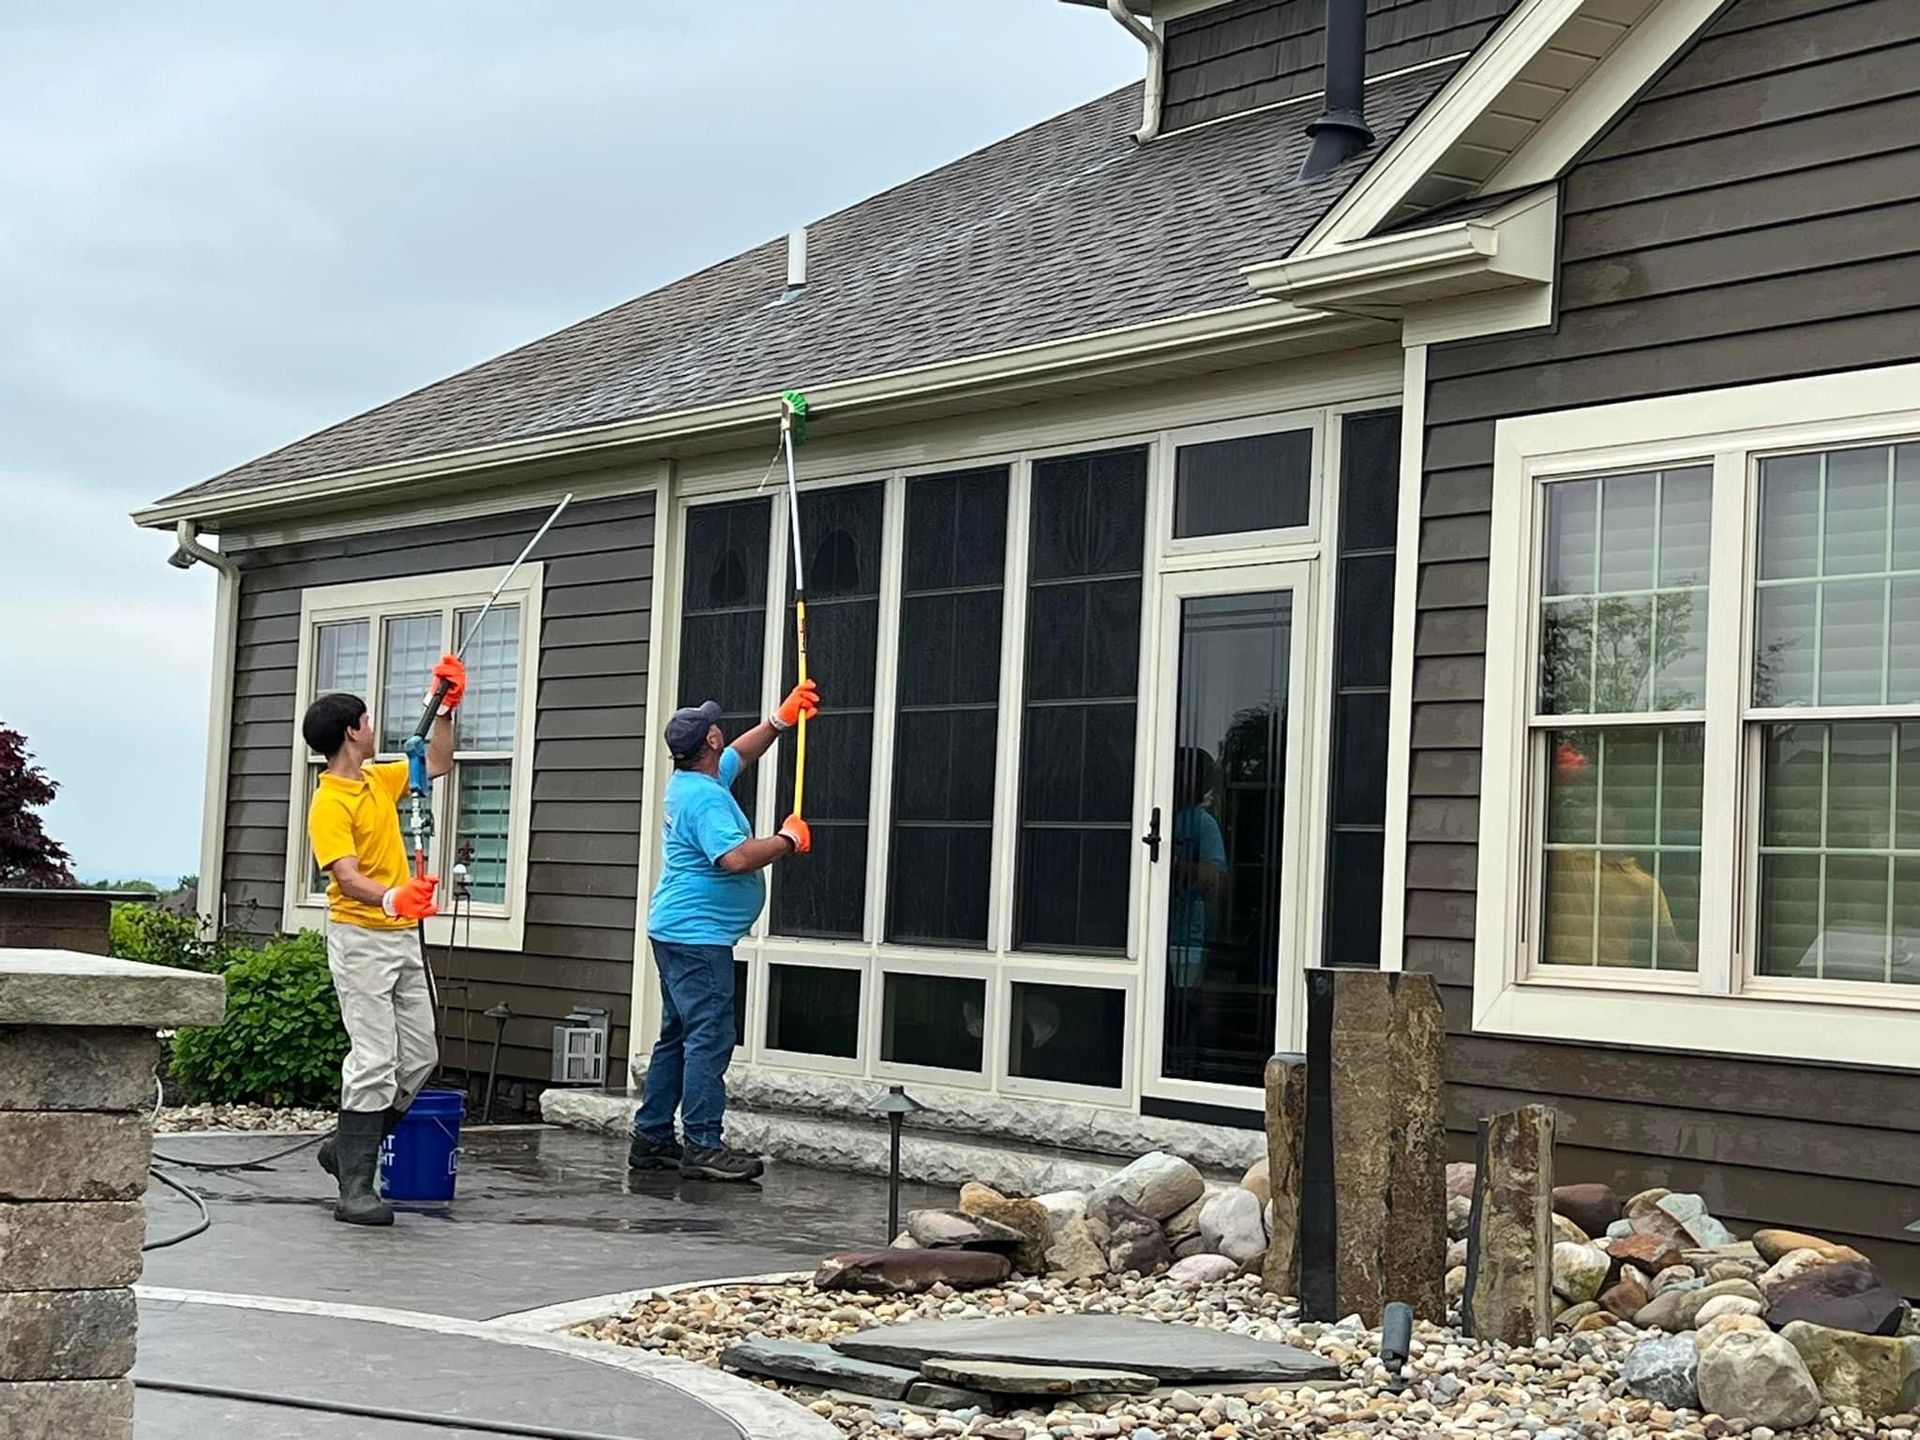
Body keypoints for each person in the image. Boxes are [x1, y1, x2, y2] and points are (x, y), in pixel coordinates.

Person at [630, 681, 818, 1182]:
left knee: (678, 1037)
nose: (722, 730)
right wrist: (785, 840)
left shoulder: (695, 780)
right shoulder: (705, 803)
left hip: (675, 932)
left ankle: (651, 1139)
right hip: (698, 939)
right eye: (717, 726)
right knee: (710, 1038)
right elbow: (734, 858)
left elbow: (740, 754)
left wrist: (780, 720)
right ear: (708, 738)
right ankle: (703, 1145)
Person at [300, 653, 464, 1226]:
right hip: (361, 939)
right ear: (351, 732)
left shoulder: (378, 778)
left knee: (420, 1055)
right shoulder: (329, 803)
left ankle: (342, 1152)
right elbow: (345, 876)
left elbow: (438, 760)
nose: (374, 728)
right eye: (367, 721)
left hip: (400, 938)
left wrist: (443, 707)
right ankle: (356, 1190)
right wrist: (394, 898)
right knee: (373, 1059)